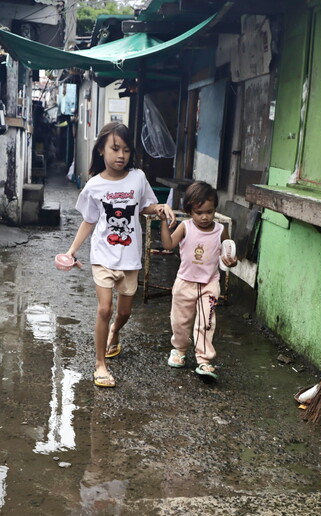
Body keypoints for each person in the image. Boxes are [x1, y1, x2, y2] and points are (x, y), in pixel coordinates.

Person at [61, 121, 176, 388]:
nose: (121, 155)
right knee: (105, 308)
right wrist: (72, 250)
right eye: (115, 148)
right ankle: (100, 364)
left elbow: (146, 207)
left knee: (124, 313)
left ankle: (115, 331)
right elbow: (89, 220)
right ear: (101, 149)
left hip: (130, 258)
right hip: (103, 255)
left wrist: (159, 208)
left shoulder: (138, 178)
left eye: (125, 149)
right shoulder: (94, 185)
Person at [158, 181, 237, 379]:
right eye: (198, 212)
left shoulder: (220, 230)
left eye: (209, 212)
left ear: (215, 210)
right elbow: (168, 245)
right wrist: (163, 223)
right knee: (180, 320)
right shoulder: (185, 227)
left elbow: (228, 256)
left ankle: (203, 359)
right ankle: (180, 350)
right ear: (189, 211)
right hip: (185, 281)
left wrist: (231, 261)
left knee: (206, 322)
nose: (204, 217)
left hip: (209, 283)